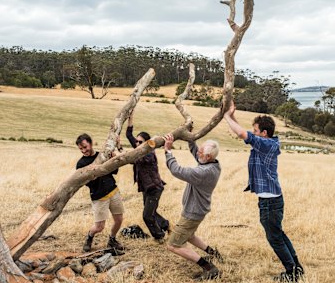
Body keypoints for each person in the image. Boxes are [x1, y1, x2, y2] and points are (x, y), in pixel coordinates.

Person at [223, 102, 304, 282]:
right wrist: (232, 115)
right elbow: (247, 134)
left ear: (264, 133)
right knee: (278, 234)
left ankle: (292, 272)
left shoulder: (265, 145)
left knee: (274, 238)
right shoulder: (267, 142)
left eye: (256, 130)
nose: (254, 133)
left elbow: (243, 134)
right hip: (272, 200)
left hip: (270, 202)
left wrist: (226, 117)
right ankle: (297, 267)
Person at [162, 134, 224, 281]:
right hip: (198, 210)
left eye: (201, 152)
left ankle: (209, 267)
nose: (198, 153)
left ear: (208, 157)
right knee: (189, 235)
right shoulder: (213, 164)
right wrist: (190, 138)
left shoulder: (203, 172)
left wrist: (168, 151)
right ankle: (213, 253)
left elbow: (177, 170)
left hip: (192, 213)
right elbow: (198, 156)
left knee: (173, 245)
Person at [75, 133, 125, 254]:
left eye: (85, 147)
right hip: (98, 196)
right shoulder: (81, 164)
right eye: (81, 149)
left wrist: (113, 159)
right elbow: (83, 182)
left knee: (119, 219)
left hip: (113, 191)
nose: (84, 150)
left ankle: (112, 239)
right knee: (99, 227)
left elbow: (115, 171)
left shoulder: (102, 156)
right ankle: (90, 236)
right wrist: (91, 177)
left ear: (91, 144)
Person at [125, 111, 170, 242]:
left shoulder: (149, 153)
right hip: (147, 188)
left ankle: (159, 236)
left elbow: (136, 160)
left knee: (147, 216)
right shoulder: (139, 148)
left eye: (140, 142)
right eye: (137, 142)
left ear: (147, 143)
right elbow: (129, 134)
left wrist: (120, 153)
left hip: (154, 188)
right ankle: (166, 225)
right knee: (151, 212)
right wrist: (130, 117)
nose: (137, 144)